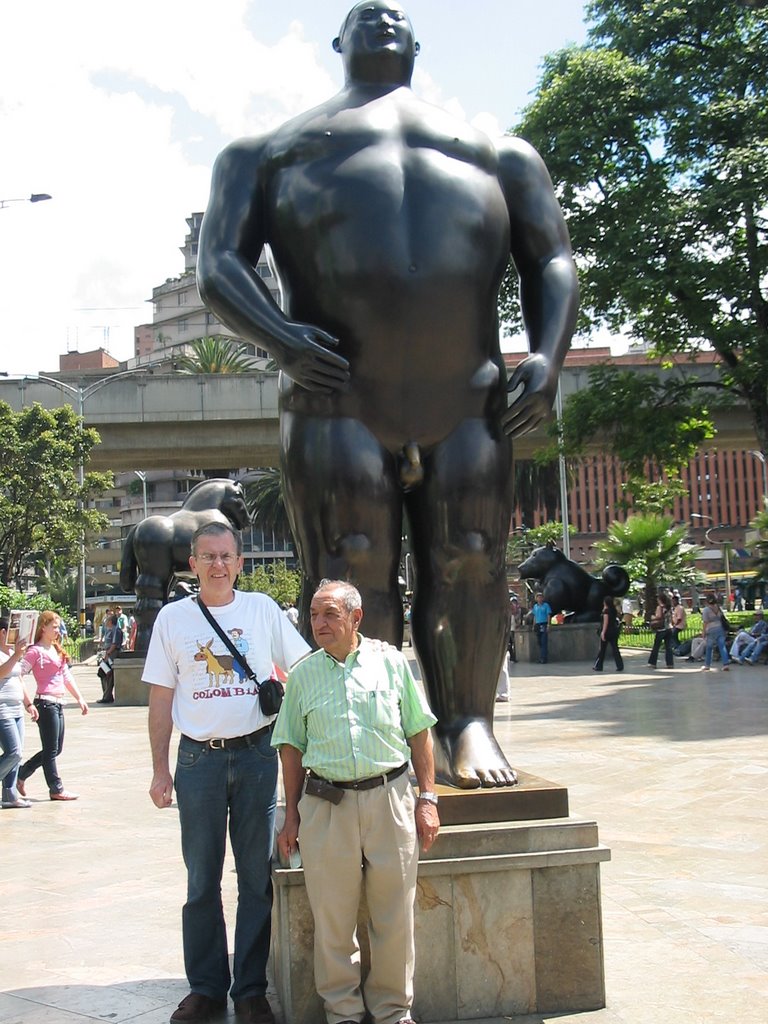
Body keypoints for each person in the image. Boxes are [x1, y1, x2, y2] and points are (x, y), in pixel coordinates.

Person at [197, 0, 578, 789]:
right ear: (337, 43)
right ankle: (366, 731)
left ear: (418, 42)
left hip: (467, 398)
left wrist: (547, 355)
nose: (381, 16)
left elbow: (551, 260)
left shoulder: (497, 152)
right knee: (349, 568)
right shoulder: (268, 152)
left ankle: (469, 719)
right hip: (335, 396)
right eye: (362, 14)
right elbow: (220, 267)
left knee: (472, 560)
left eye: (397, 13)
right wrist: (282, 337)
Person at [143, 521, 310, 1024]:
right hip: (199, 761)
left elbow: (302, 668)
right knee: (202, 879)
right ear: (192, 565)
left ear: (240, 563)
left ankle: (251, 989)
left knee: (256, 878)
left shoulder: (262, 610)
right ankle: (207, 987)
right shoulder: (172, 619)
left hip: (258, 756)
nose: (218, 565)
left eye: (226, 557)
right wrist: (158, 769)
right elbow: (160, 697)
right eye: (207, 557)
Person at [272, 580, 440, 1024]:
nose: (319, 624)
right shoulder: (303, 675)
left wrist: (428, 798)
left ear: (356, 618)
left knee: (394, 915)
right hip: (326, 805)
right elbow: (290, 747)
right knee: (332, 918)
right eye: (313, 615)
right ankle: (342, 1012)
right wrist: (290, 815)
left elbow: (419, 731)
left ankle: (392, 1011)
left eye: (330, 614)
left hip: (390, 799)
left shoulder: (390, 663)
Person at [9, 611, 88, 800]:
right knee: (51, 749)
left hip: (58, 703)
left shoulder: (55, 649)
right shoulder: (35, 651)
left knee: (55, 749)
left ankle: (22, 773)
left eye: (57, 626)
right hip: (45, 703)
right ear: (43, 627)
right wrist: (27, 702)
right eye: (53, 626)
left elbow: (66, 676)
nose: (57, 630)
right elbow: (19, 672)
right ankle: (56, 788)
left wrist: (80, 698)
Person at [0, 616, 39, 808]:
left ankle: (9, 795)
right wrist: (16, 655)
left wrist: (28, 703)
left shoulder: (12, 653)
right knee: (13, 752)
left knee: (18, 753)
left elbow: (19, 680)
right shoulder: (8, 654)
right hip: (2, 709)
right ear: (3, 633)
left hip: (16, 708)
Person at [96, 612, 124, 704]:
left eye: (107, 620)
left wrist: (108, 653)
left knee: (109, 674)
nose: (106, 622)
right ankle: (106, 694)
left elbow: (114, 644)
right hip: (108, 653)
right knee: (103, 673)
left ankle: (107, 696)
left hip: (112, 654)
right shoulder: (110, 630)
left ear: (111, 622)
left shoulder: (116, 630)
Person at [593, 597, 624, 672]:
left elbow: (605, 623)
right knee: (615, 649)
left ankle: (598, 665)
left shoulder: (606, 611)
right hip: (614, 631)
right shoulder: (613, 611)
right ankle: (620, 665)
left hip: (607, 632)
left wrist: (603, 632)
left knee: (602, 650)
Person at [701, 594, 730, 672]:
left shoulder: (706, 610)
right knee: (722, 646)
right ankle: (725, 664)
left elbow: (705, 622)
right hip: (720, 629)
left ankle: (707, 665)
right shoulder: (718, 608)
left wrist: (703, 632)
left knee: (709, 647)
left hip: (711, 630)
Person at [648, 590, 674, 669]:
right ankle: (670, 663)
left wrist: (653, 617)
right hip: (669, 628)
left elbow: (659, 616)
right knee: (668, 647)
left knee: (656, 646)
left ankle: (653, 663)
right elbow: (671, 618)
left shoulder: (660, 607)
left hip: (661, 629)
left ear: (660, 599)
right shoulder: (669, 607)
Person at [531, 592, 552, 664]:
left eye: (541, 597)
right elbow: (534, 616)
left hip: (544, 624)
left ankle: (543, 658)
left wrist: (549, 624)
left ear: (543, 598)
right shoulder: (535, 606)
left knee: (544, 641)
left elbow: (548, 615)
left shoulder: (546, 605)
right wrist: (533, 625)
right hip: (538, 624)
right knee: (539, 641)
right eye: (538, 597)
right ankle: (542, 655)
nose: (539, 599)